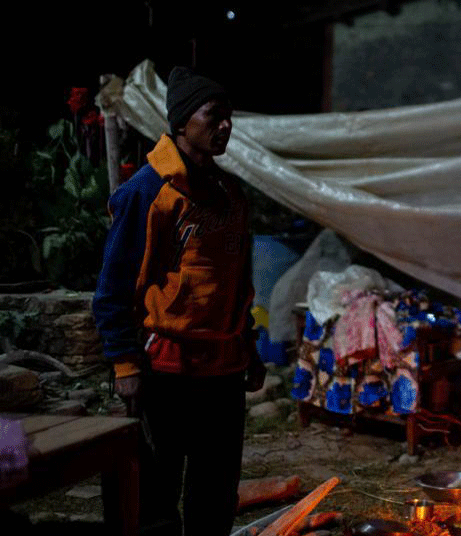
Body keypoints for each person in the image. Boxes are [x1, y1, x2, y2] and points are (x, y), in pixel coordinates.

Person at [92, 66, 265, 536]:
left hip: (224, 370)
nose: (225, 126)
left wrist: (247, 347)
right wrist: (125, 366)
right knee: (156, 491)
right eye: (214, 115)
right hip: (166, 368)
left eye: (229, 117)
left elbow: (234, 283)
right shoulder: (147, 193)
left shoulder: (230, 195)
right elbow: (113, 288)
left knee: (215, 490)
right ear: (183, 121)